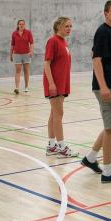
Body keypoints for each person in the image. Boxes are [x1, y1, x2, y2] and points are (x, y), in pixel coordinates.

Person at [80, 0, 111, 183]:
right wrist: (103, 86)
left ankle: (90, 158)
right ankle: (107, 172)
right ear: (106, 13)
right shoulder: (102, 32)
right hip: (106, 86)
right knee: (110, 128)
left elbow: (95, 53)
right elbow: (96, 60)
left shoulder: (108, 31)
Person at [44, 17, 78, 157]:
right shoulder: (53, 41)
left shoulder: (63, 41)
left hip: (62, 83)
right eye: (66, 26)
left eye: (70, 26)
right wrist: (51, 83)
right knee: (59, 114)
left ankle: (52, 146)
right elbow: (47, 64)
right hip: (55, 84)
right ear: (58, 27)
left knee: (54, 114)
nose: (69, 28)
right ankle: (62, 148)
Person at [11, 19, 34, 94]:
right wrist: (11, 54)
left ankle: (26, 87)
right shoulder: (14, 33)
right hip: (17, 54)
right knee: (18, 71)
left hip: (26, 54)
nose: (21, 25)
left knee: (26, 71)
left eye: (23, 24)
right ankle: (17, 88)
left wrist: (31, 51)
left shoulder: (28, 32)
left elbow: (31, 43)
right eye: (20, 24)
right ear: (18, 25)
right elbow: (12, 45)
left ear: (24, 25)